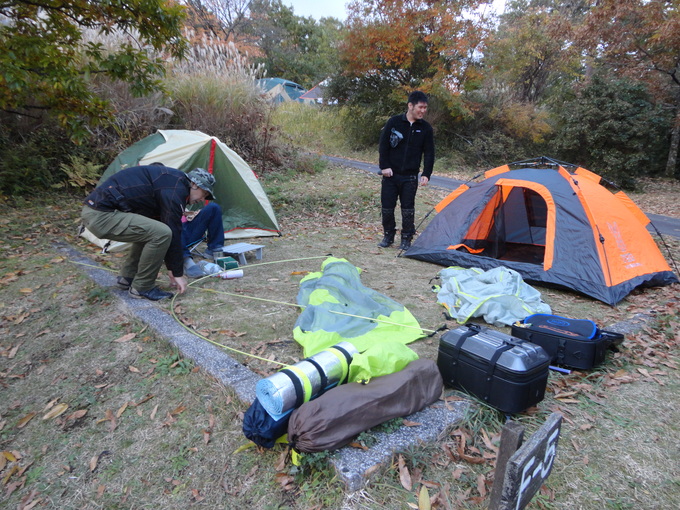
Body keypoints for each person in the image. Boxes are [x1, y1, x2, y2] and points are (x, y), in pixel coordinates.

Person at [81, 165, 216, 301]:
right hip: (102, 215)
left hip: (98, 213)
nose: (203, 199)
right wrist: (177, 272)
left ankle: (127, 277)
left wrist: (172, 268)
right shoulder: (176, 189)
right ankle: (143, 287)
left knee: (151, 229)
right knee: (162, 233)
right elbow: (173, 230)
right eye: (204, 194)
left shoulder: (173, 181)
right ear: (194, 184)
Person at [377, 90, 435, 250]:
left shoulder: (425, 128)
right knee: (387, 207)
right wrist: (384, 167)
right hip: (391, 175)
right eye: (420, 107)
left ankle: (406, 239)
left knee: (408, 209)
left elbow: (429, 152)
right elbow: (383, 146)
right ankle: (388, 236)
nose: (423, 111)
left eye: (425, 108)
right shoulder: (394, 122)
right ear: (410, 106)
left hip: (410, 177)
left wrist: (426, 174)